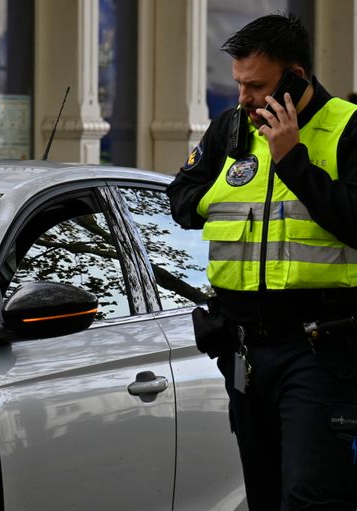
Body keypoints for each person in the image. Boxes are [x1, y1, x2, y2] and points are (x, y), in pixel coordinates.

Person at [167, 13, 357, 510]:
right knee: (264, 496)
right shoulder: (230, 128)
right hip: (245, 351)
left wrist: (293, 160)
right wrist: (225, 197)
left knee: (309, 496)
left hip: (321, 351)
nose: (245, 99)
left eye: (257, 86)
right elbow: (181, 198)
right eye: (239, 85)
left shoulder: (348, 129)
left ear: (296, 77)